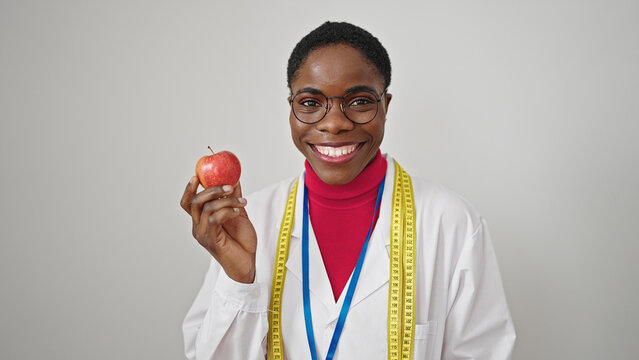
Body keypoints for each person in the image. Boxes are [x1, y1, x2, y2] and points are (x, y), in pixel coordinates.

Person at [179, 21, 515, 360]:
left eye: (359, 101)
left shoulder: (452, 222)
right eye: (310, 102)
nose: (335, 122)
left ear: (386, 105)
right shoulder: (247, 221)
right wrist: (240, 281)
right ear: (291, 107)